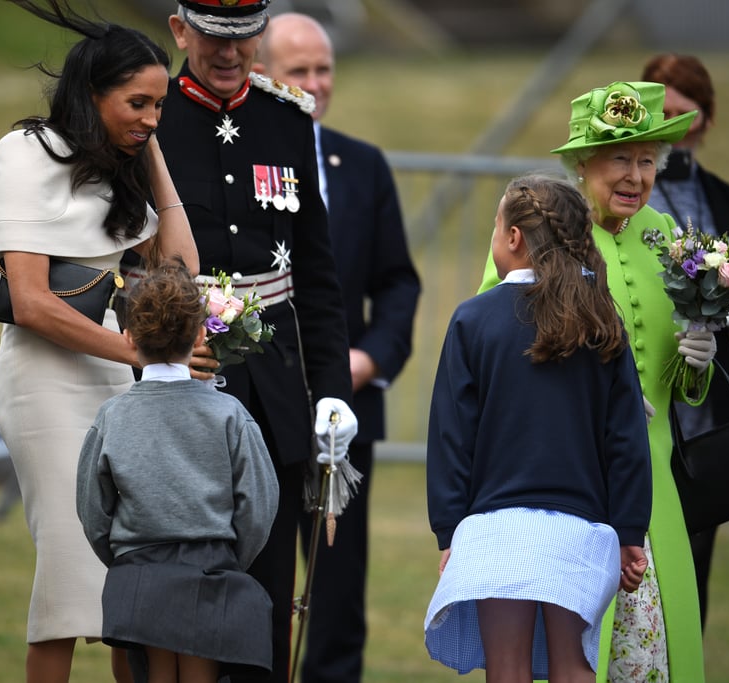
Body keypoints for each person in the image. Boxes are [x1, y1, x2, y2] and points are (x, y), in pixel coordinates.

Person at [0, 2, 200, 682]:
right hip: (44, 380)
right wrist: (141, 356)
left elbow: (183, 271)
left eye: (160, 107)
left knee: (125, 582)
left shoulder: (127, 167)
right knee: (72, 580)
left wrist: (154, 153)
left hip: (111, 377)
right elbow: (30, 301)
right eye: (138, 102)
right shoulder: (25, 151)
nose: (151, 118)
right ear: (91, 93)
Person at [477, 81, 710, 682]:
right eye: (619, 159)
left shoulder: (666, 235)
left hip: (646, 482)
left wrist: (696, 363)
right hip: (565, 479)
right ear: (582, 164)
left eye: (646, 160)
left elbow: (673, 379)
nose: (635, 176)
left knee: (645, 655)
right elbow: (494, 351)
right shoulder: (543, 233)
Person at [157, 2, 359, 681]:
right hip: (175, 386)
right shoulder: (147, 115)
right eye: (215, 38)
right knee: (175, 592)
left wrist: (331, 392)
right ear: (180, 31)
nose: (229, 54)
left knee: (267, 595)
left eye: (244, 40)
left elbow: (318, 279)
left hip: (271, 395)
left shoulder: (286, 120)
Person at [425, 174, 652, 682]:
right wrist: (629, 529)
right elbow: (626, 437)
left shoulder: (471, 320)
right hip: (581, 530)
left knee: (507, 671)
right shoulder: (600, 321)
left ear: (513, 238)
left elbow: (450, 437)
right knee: (574, 668)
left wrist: (449, 528)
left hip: (494, 530)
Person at [252, 13, 421, 683]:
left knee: (339, 584)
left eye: (324, 70)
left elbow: (399, 282)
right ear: (262, 73)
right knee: (257, 573)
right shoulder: (242, 159)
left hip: (341, 413)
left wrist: (366, 359)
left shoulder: (364, 165)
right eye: (300, 71)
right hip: (257, 405)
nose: (316, 84)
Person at [76, 258, 279, 682]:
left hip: (139, 578)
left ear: (127, 335)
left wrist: (123, 559)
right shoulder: (231, 416)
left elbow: (92, 508)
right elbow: (259, 505)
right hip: (210, 573)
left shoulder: (111, 417)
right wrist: (229, 559)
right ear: (202, 334)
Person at [641, 53, 729, 630]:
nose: (672, 127)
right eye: (659, 113)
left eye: (683, 116)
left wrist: (715, 301)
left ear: (708, 120)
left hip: (709, 405)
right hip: (647, 392)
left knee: (695, 562)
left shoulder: (727, 200)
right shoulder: (630, 192)